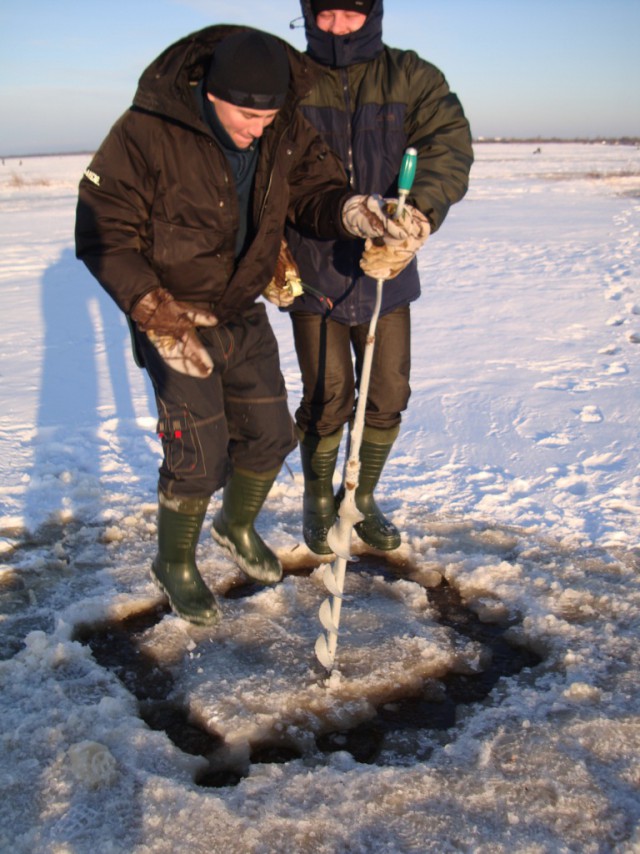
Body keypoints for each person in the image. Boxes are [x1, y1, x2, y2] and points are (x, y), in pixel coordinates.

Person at [75, 25, 413, 626]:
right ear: (209, 91)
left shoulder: (282, 129)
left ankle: (235, 524)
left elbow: (315, 189)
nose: (258, 128)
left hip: (241, 306)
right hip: (171, 313)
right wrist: (156, 314)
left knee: (269, 434)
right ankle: (174, 564)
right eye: (244, 114)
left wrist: (354, 211)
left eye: (269, 115)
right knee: (198, 456)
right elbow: (102, 230)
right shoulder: (147, 132)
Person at [285, 0, 474, 555]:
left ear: (372, 13)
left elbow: (448, 146)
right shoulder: (289, 83)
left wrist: (416, 219)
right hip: (313, 267)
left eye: (349, 14)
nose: (338, 28)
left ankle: (360, 497)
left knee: (388, 390)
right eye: (325, 16)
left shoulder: (411, 76)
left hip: (387, 269)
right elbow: (266, 167)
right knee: (329, 395)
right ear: (307, 14)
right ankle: (320, 501)